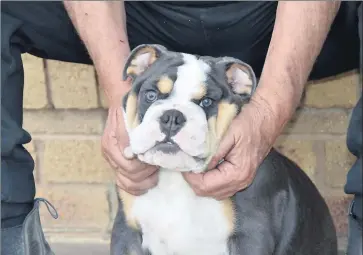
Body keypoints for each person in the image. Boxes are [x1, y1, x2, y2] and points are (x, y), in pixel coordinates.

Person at [1, 1, 361, 254]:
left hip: (276, 15)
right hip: (141, 11)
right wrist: (125, 97)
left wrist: (268, 110)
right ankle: (7, 232)